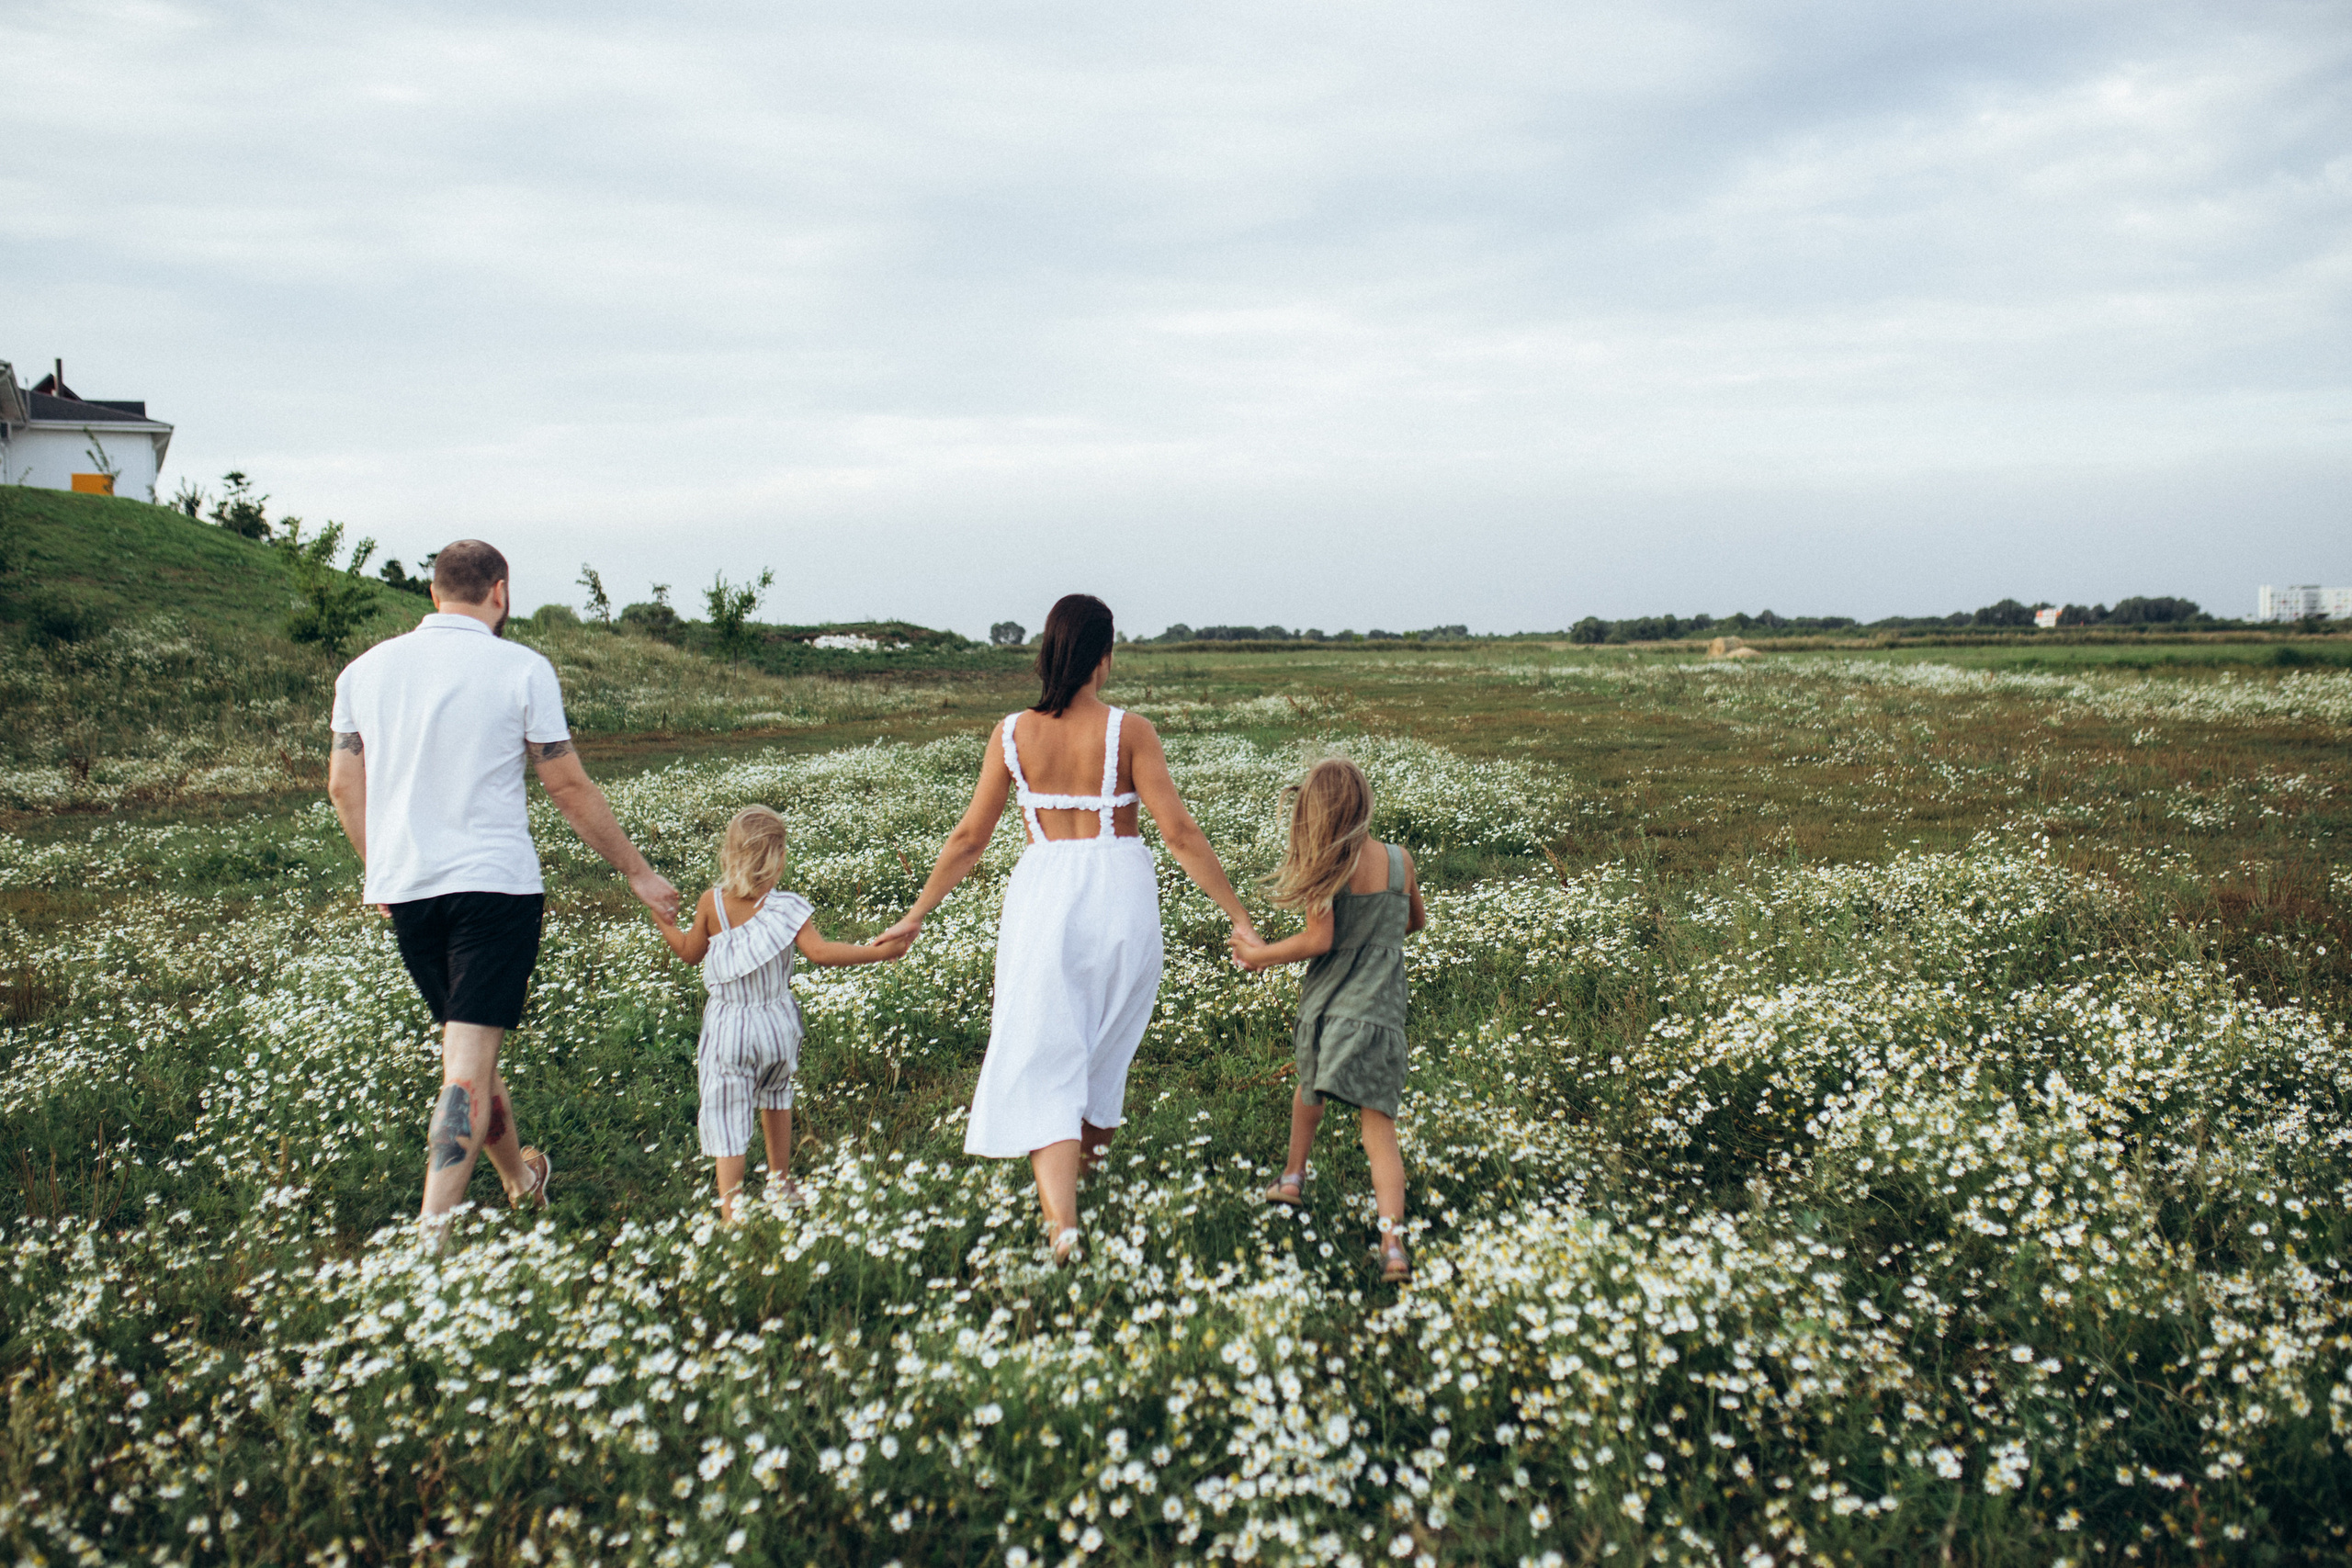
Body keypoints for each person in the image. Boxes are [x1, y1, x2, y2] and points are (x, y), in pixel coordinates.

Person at [880, 593, 1259, 1264]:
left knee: (1048, 1050)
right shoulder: (1130, 730)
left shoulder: (1011, 733)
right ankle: (1081, 1185)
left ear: (1050, 649)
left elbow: (970, 837)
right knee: (1105, 1046)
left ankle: (1064, 1225)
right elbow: (1179, 832)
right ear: (1104, 658)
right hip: (1121, 894)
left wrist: (916, 914)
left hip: (1044, 895)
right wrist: (1240, 917)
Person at [325, 539, 679, 1236]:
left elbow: (343, 784)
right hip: (494, 892)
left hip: (412, 891)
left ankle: (522, 1179)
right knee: (463, 1071)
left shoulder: (362, 672)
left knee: (471, 1051)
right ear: (500, 591)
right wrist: (638, 871)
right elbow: (566, 783)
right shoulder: (521, 667)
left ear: (433, 594)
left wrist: (381, 870)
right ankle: (432, 1238)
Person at [649, 806, 910, 1222]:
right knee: (776, 1095)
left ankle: (733, 1211)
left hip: (728, 1027)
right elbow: (822, 954)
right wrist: (879, 953)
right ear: (777, 858)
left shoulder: (710, 904)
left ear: (729, 854)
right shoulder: (787, 907)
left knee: (729, 1113)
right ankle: (780, 1182)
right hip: (776, 1024)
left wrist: (662, 920)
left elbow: (688, 953)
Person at [1228, 757, 1426, 1283]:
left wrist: (1260, 953)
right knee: (1378, 1131)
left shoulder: (1329, 866)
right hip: (1382, 1014)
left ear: (1314, 812)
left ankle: (1292, 1177)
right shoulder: (1400, 861)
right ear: (1364, 804)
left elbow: (1320, 941)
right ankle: (1393, 1246)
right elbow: (1414, 922)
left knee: (1308, 1093)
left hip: (1328, 1011)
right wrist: (1379, 941)